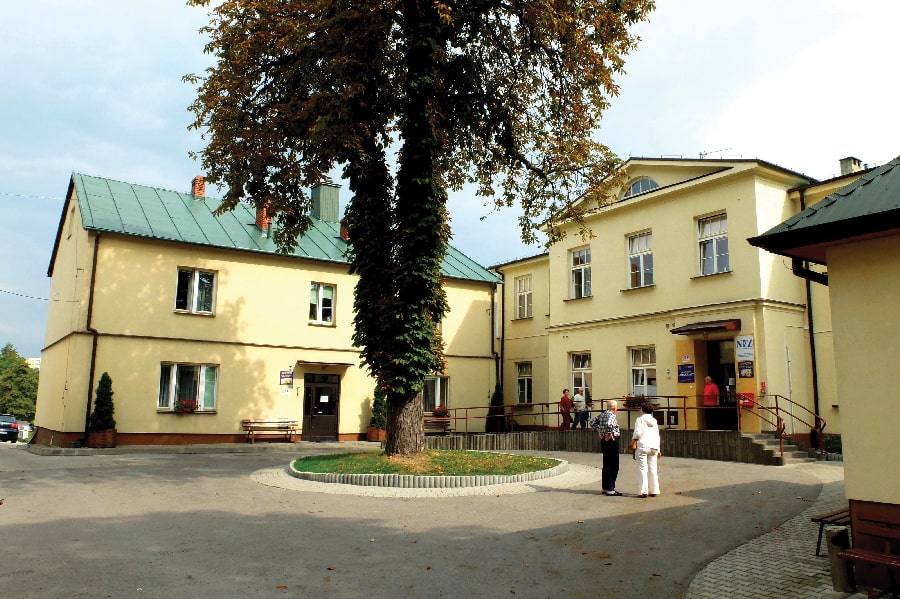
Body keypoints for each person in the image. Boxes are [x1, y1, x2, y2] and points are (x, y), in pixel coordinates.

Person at [590, 399, 621, 495]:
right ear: (614, 407)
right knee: (614, 464)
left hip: (604, 440)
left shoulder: (603, 414)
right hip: (612, 440)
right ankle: (611, 489)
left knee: (606, 463)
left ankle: (605, 487)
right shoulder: (611, 415)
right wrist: (609, 433)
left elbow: (592, 422)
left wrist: (599, 431)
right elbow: (609, 424)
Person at [631, 403, 661, 498]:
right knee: (653, 468)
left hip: (642, 446)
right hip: (654, 446)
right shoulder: (654, 421)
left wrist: (633, 440)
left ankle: (643, 491)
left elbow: (638, 433)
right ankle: (654, 490)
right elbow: (657, 435)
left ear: (642, 410)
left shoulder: (639, 419)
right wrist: (659, 449)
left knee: (642, 469)